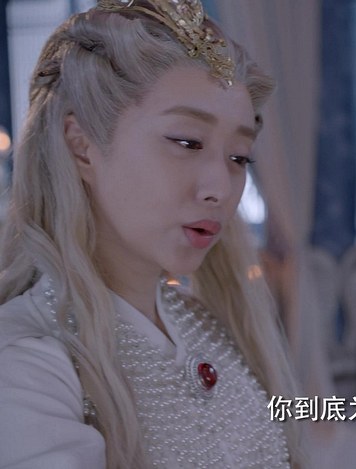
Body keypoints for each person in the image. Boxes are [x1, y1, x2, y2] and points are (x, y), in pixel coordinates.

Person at [0, 1, 301, 467]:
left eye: (239, 157)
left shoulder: (209, 327)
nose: (221, 189)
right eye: (187, 142)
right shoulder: (27, 362)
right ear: (81, 145)